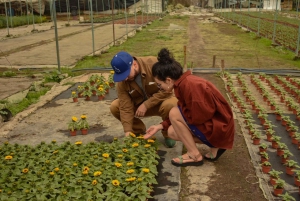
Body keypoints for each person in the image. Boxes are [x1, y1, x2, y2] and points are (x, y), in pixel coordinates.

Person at [144, 48, 235, 167]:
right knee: (171, 131)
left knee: (174, 113)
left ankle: (194, 155)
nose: (159, 87)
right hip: (218, 125)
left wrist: (176, 116)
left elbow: (198, 117)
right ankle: (215, 146)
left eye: (159, 84)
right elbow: (184, 111)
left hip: (220, 128)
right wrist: (160, 126)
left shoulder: (191, 86)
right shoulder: (184, 83)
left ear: (168, 80)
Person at [109, 51, 178, 148]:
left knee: (171, 104)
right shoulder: (123, 82)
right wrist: (128, 132)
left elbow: (168, 89)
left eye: (126, 74)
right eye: (122, 76)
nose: (124, 79)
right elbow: (125, 107)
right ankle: (138, 131)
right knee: (115, 106)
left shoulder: (153, 64)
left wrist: (146, 105)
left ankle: (168, 133)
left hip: (161, 103)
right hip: (139, 108)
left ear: (135, 64)